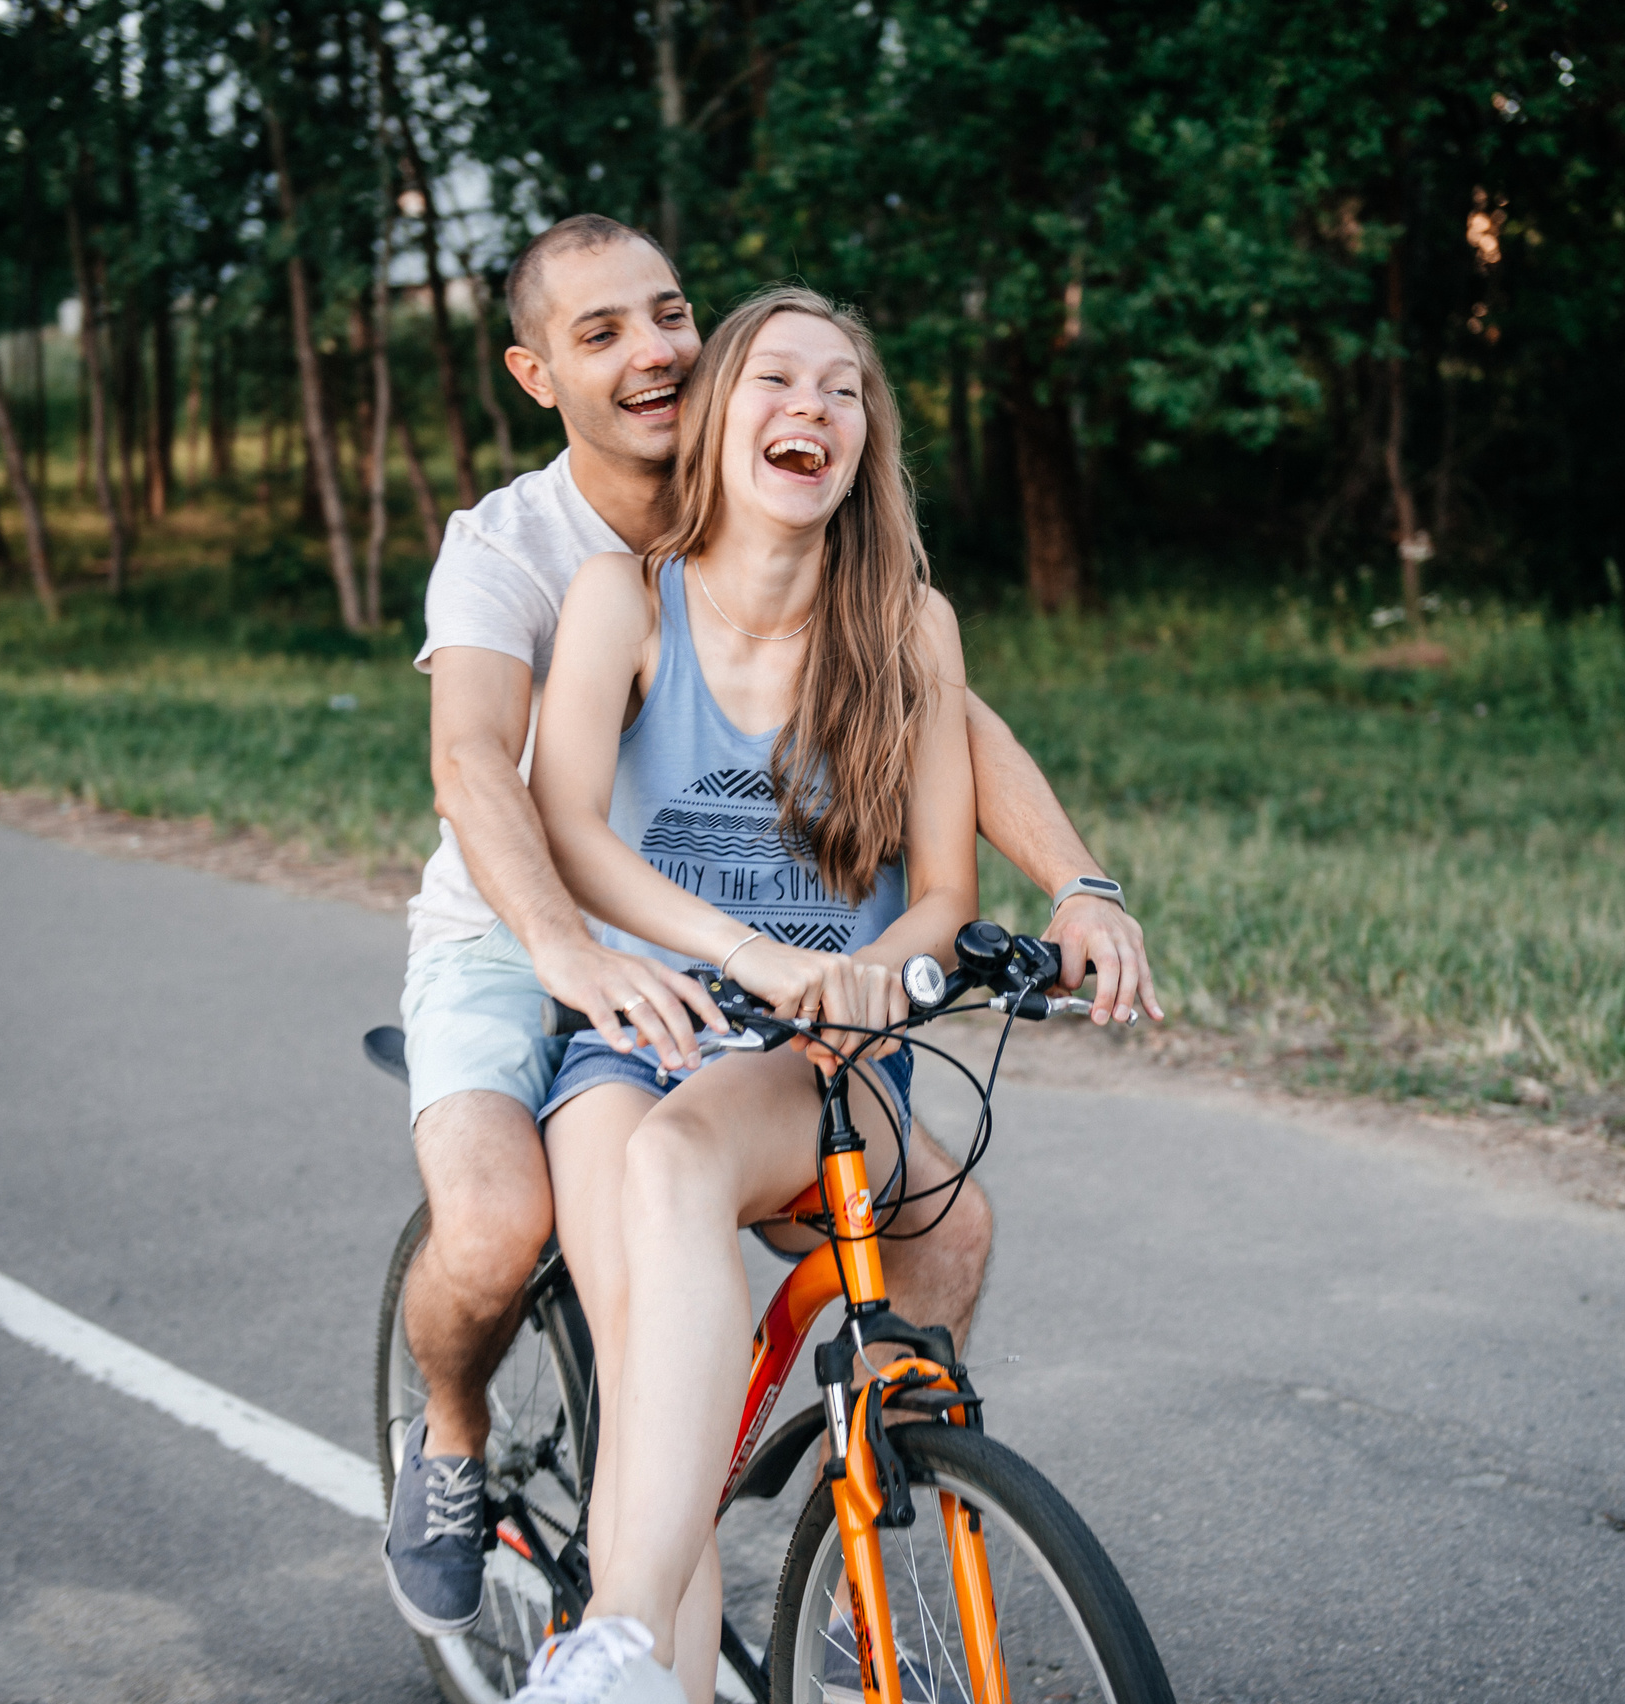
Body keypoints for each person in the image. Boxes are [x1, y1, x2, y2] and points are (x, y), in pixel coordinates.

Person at [384, 216, 1162, 1644]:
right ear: (536, 374)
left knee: (947, 1227)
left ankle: (875, 1553)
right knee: (500, 1226)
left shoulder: (827, 545)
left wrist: (1080, 885)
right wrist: (571, 951)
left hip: (754, 979)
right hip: (522, 927)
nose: (653, 351)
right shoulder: (526, 551)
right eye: (600, 332)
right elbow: (479, 770)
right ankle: (454, 1445)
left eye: (669, 313)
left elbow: (950, 725)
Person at [524, 284, 970, 1704]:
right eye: (777, 378)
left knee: (754, 1181)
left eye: (844, 389)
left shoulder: (907, 627)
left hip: (816, 1062)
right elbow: (567, 825)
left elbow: (946, 893)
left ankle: (639, 1631)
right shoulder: (625, 599)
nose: (812, 407)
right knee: (653, 1356)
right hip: (641, 1035)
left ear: (864, 441)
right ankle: (635, 1649)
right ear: (719, 418)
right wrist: (742, 953)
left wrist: (869, 981)